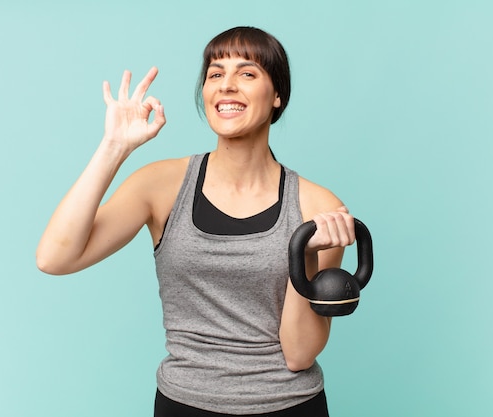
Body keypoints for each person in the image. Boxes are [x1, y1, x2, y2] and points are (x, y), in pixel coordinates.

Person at [36, 26, 356, 417]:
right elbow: (54, 258)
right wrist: (114, 147)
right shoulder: (161, 185)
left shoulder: (317, 207)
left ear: (277, 96)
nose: (227, 86)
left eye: (248, 73)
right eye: (215, 74)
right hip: (183, 404)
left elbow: (299, 354)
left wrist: (305, 256)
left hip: (289, 406)